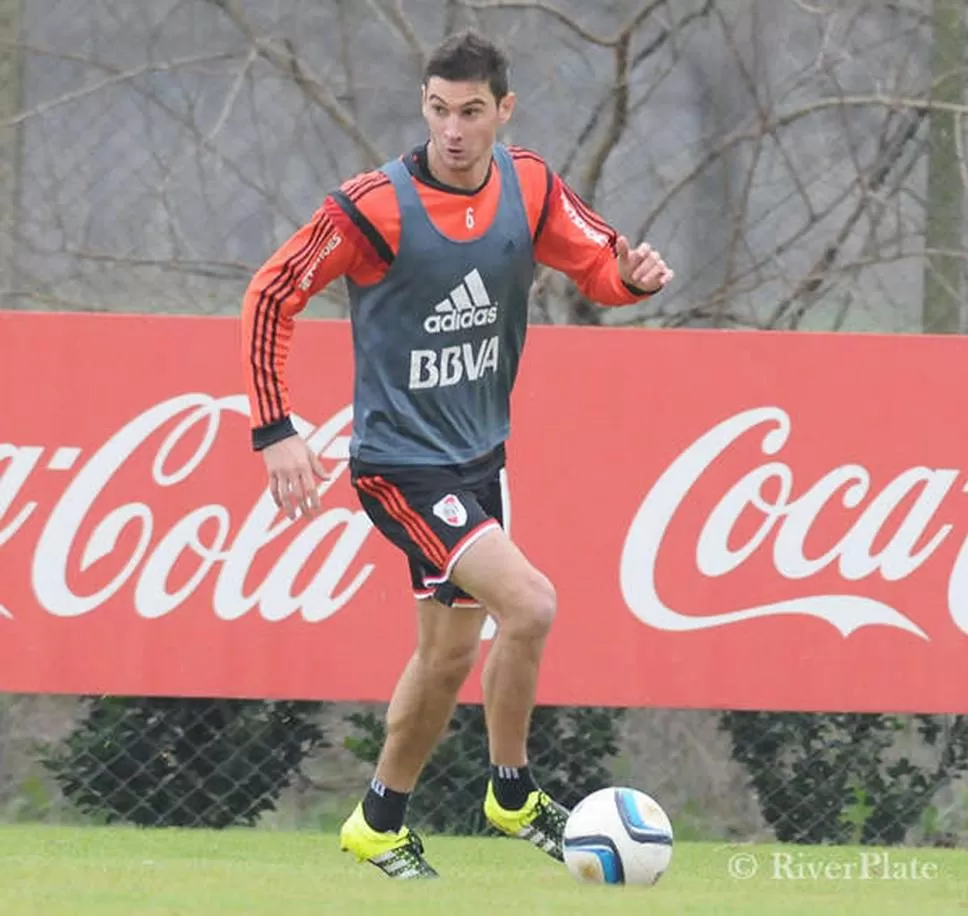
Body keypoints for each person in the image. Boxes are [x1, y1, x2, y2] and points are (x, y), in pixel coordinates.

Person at [241, 28, 673, 879]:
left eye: (472, 112)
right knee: (534, 606)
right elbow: (271, 293)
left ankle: (378, 822)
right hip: (399, 468)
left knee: (444, 660)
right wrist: (276, 431)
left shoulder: (531, 184)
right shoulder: (373, 207)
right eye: (439, 109)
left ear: (502, 112)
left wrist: (634, 279)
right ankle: (512, 794)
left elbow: (598, 266)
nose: (453, 129)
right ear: (425, 109)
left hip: (480, 459)